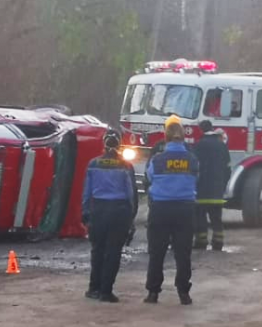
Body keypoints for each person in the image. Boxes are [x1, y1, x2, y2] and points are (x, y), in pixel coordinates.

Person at [144, 119, 198, 305]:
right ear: (183, 138)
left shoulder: (158, 160)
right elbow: (197, 177)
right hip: (184, 209)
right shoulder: (192, 159)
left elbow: (149, 177)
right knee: (183, 253)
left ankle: (153, 293)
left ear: (165, 138)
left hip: (160, 209)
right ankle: (184, 292)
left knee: (157, 252)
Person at [81, 131, 138, 303]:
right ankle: (106, 291)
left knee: (97, 249)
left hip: (98, 209)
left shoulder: (93, 164)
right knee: (113, 251)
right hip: (119, 211)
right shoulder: (126, 166)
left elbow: (87, 192)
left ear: (104, 144)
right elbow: (131, 194)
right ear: (119, 145)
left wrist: (85, 213)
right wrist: (131, 218)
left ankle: (93, 288)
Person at [192, 120, 231, 251]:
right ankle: (218, 243)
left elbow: (194, 167)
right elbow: (228, 168)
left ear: (201, 130)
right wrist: (223, 184)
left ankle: (201, 242)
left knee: (200, 218)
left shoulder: (198, 145)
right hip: (217, 190)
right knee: (216, 219)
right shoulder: (222, 146)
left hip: (201, 189)